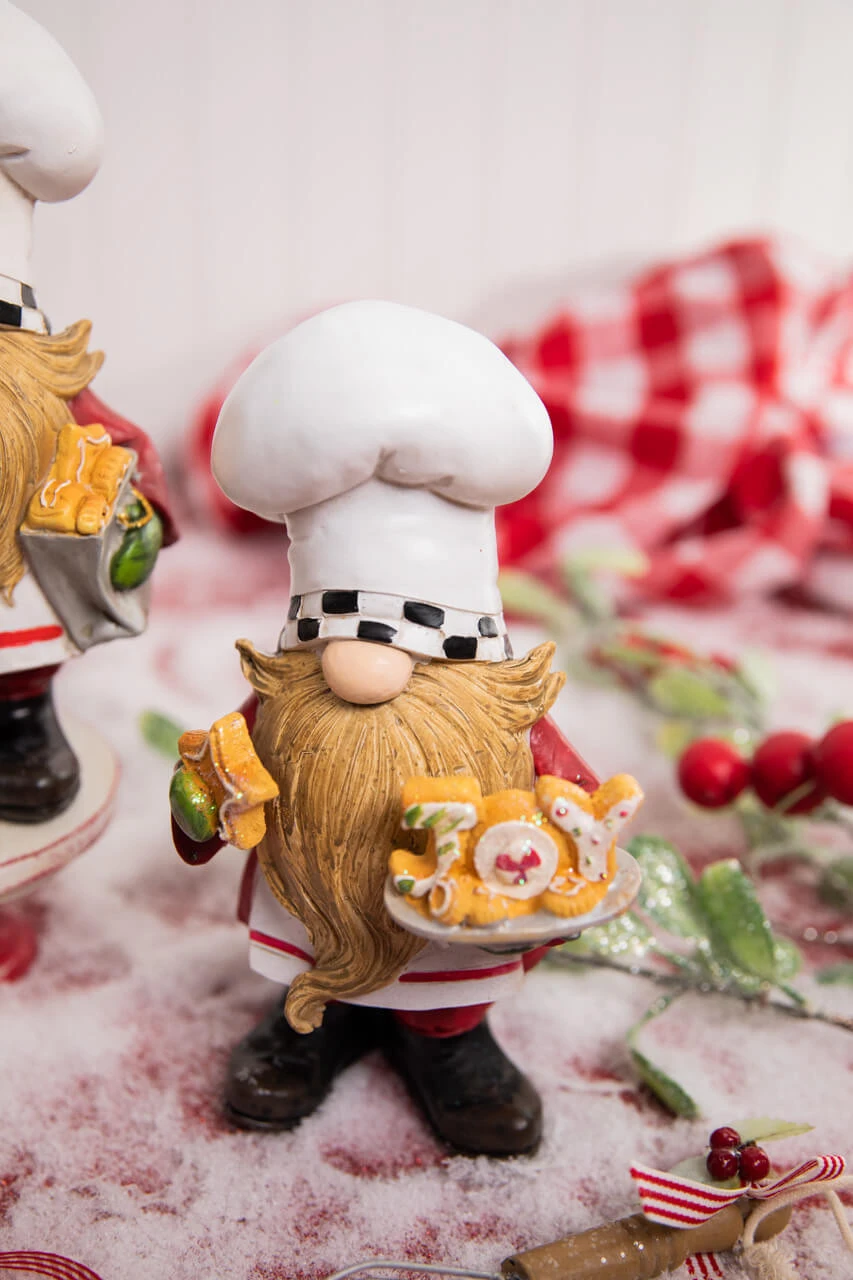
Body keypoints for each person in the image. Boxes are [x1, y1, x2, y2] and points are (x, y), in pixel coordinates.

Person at [172, 301, 598, 1157]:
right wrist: (200, 804)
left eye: (414, 646)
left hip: (460, 909)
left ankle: (449, 1036)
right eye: (339, 638)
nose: (362, 670)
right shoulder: (288, 712)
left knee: (447, 981)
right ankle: (312, 1017)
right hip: (313, 898)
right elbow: (210, 790)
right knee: (311, 958)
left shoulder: (499, 722)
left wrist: (578, 846)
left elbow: (576, 807)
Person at [0, 2, 176, 822]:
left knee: (20, 662)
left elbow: (111, 436)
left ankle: (20, 727)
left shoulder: (37, 383)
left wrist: (137, 504)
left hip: (18, 582)